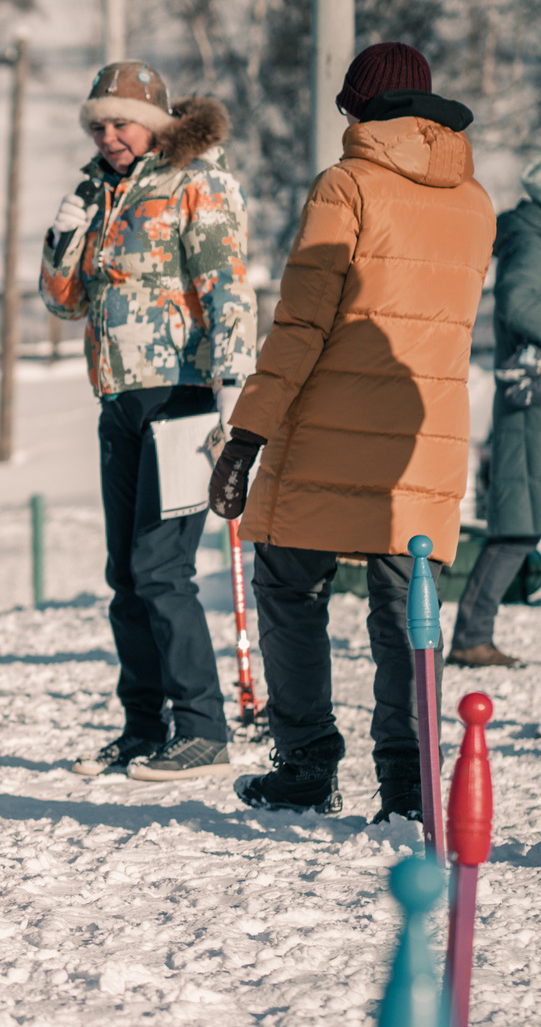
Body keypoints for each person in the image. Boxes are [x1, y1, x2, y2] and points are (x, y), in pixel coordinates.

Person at [208, 44, 493, 822]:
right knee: (406, 609)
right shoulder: (475, 200)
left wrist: (248, 435)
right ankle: (407, 786)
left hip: (328, 428)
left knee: (289, 583)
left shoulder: (348, 185)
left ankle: (306, 763)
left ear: (360, 108)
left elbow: (302, 322)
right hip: (422, 434)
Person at [39, 61, 257, 781]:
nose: (108, 136)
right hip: (120, 397)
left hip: (185, 395)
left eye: (121, 122)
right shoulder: (100, 192)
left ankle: (202, 727)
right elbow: (66, 303)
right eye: (98, 125)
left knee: (162, 569)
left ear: (156, 122)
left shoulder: (197, 180)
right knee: (125, 575)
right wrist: (60, 242)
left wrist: (235, 394)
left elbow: (228, 285)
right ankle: (143, 725)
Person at [449, 150, 541, 668]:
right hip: (538, 405)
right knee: (516, 528)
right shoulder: (534, 242)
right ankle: (470, 635)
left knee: (539, 523)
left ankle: (472, 632)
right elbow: (516, 303)